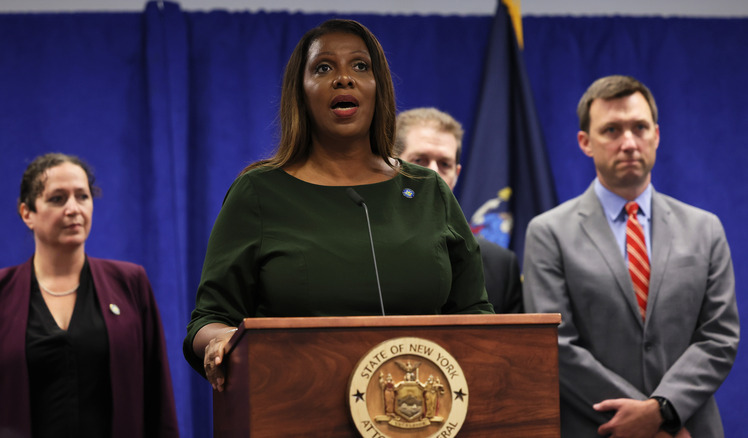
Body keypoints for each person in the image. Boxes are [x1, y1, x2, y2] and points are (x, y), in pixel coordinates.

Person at [183, 19, 493, 391]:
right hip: (298, 404)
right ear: (301, 91)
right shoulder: (258, 192)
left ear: (379, 88)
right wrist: (221, 339)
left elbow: (475, 314)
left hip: (422, 409)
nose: (344, 78)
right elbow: (210, 318)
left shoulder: (426, 190)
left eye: (360, 66)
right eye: (324, 67)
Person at [523, 75, 739, 437]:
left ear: (656, 134)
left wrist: (664, 410)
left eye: (639, 127)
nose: (628, 142)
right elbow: (555, 344)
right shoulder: (549, 233)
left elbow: (719, 337)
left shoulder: (705, 228)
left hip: (689, 428)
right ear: (585, 142)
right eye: (611, 130)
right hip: (601, 429)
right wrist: (645, 422)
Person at [0, 153, 179, 438]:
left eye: (82, 196)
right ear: (27, 213)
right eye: (57, 198)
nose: (73, 208)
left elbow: (158, 398)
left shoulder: (131, 283)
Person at [395, 107, 523, 313]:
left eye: (444, 164)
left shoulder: (500, 265)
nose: (433, 173)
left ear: (456, 174)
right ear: (392, 165)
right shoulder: (365, 245)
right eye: (419, 161)